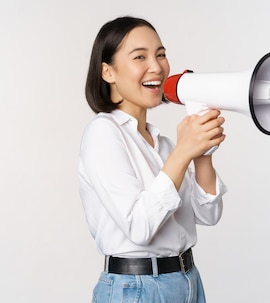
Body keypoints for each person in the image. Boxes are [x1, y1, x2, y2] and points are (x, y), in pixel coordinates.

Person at [79, 16, 227, 303]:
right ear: (108, 72)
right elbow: (139, 227)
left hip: (188, 281)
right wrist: (184, 151)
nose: (157, 66)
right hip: (137, 288)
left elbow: (209, 215)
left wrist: (202, 154)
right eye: (140, 56)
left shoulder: (163, 144)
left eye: (161, 54)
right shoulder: (103, 133)